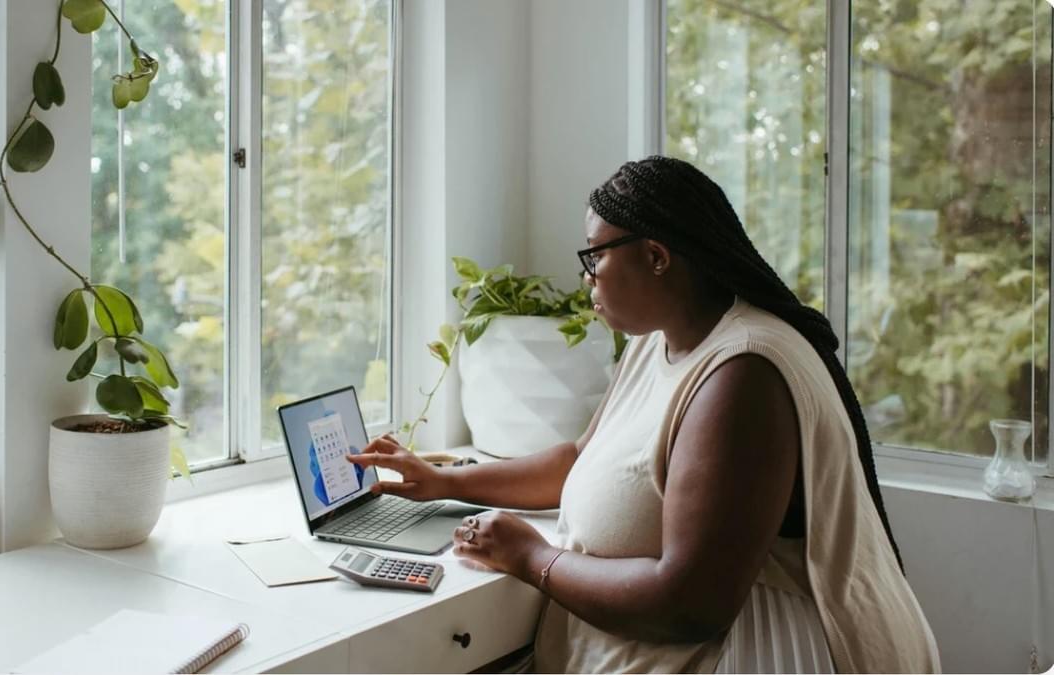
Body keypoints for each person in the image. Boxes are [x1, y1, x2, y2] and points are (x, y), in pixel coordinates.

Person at [347, 156, 940, 673]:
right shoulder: (656, 342)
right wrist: (445, 479)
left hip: (759, 654)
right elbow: (582, 458)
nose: (586, 279)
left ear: (656, 256)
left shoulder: (743, 375)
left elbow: (688, 605)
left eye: (594, 256)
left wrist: (532, 557)